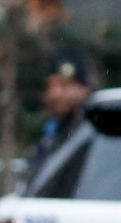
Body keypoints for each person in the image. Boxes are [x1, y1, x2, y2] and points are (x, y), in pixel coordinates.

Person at [27, 48, 94, 182]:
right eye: (50, 86)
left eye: (65, 85)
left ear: (84, 89)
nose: (55, 93)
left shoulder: (95, 129)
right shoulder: (53, 129)